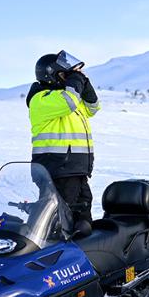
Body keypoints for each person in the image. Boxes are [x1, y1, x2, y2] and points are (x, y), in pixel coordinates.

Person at [26, 50, 100, 228]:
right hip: (56, 169)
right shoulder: (41, 99)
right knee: (60, 223)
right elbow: (69, 102)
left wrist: (85, 84)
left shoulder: (68, 98)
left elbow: (93, 108)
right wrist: (75, 80)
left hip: (75, 169)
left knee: (81, 220)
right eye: (65, 74)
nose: (69, 78)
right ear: (51, 76)